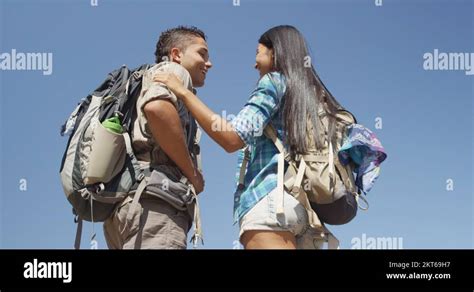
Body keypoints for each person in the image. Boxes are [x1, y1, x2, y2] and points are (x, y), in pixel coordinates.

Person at [153, 25, 352, 249]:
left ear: (275, 53)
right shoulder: (312, 95)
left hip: (269, 205)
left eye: (258, 53)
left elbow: (233, 138)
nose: (254, 63)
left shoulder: (274, 82)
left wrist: (183, 92)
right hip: (303, 211)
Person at [103, 26, 212, 249]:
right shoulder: (174, 72)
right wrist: (192, 174)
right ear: (176, 54)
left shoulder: (144, 78)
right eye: (202, 53)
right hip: (155, 206)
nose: (208, 63)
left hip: (125, 207)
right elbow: (158, 109)